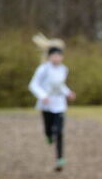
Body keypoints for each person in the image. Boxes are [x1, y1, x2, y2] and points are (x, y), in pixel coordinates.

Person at [28, 44, 75, 172]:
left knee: (59, 131)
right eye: (54, 55)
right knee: (49, 129)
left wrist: (68, 92)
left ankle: (60, 158)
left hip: (59, 103)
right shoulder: (43, 69)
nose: (56, 58)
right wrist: (42, 96)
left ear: (62, 57)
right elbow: (33, 84)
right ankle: (48, 135)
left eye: (59, 55)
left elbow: (60, 85)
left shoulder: (64, 69)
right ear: (49, 57)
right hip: (46, 103)